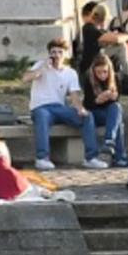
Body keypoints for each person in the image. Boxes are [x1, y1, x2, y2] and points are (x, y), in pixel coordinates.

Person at [23, 38, 106, 171]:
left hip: (59, 108)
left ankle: (91, 158)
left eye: (60, 52)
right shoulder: (41, 65)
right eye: (53, 52)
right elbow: (25, 78)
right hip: (41, 107)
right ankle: (42, 158)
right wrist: (43, 68)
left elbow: (74, 95)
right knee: (42, 117)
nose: (56, 55)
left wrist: (80, 109)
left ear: (65, 54)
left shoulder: (70, 73)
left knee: (87, 116)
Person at [0, 115, 71, 202]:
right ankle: (48, 194)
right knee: (30, 187)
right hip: (11, 181)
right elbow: (7, 166)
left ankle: (46, 193)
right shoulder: (1, 145)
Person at [83, 53, 128, 165]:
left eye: (105, 72)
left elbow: (116, 101)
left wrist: (113, 97)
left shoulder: (115, 79)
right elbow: (88, 103)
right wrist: (98, 100)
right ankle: (120, 156)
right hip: (94, 113)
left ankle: (109, 141)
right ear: (94, 71)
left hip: (109, 113)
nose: (102, 75)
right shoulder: (89, 79)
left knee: (117, 108)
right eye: (99, 72)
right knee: (117, 122)